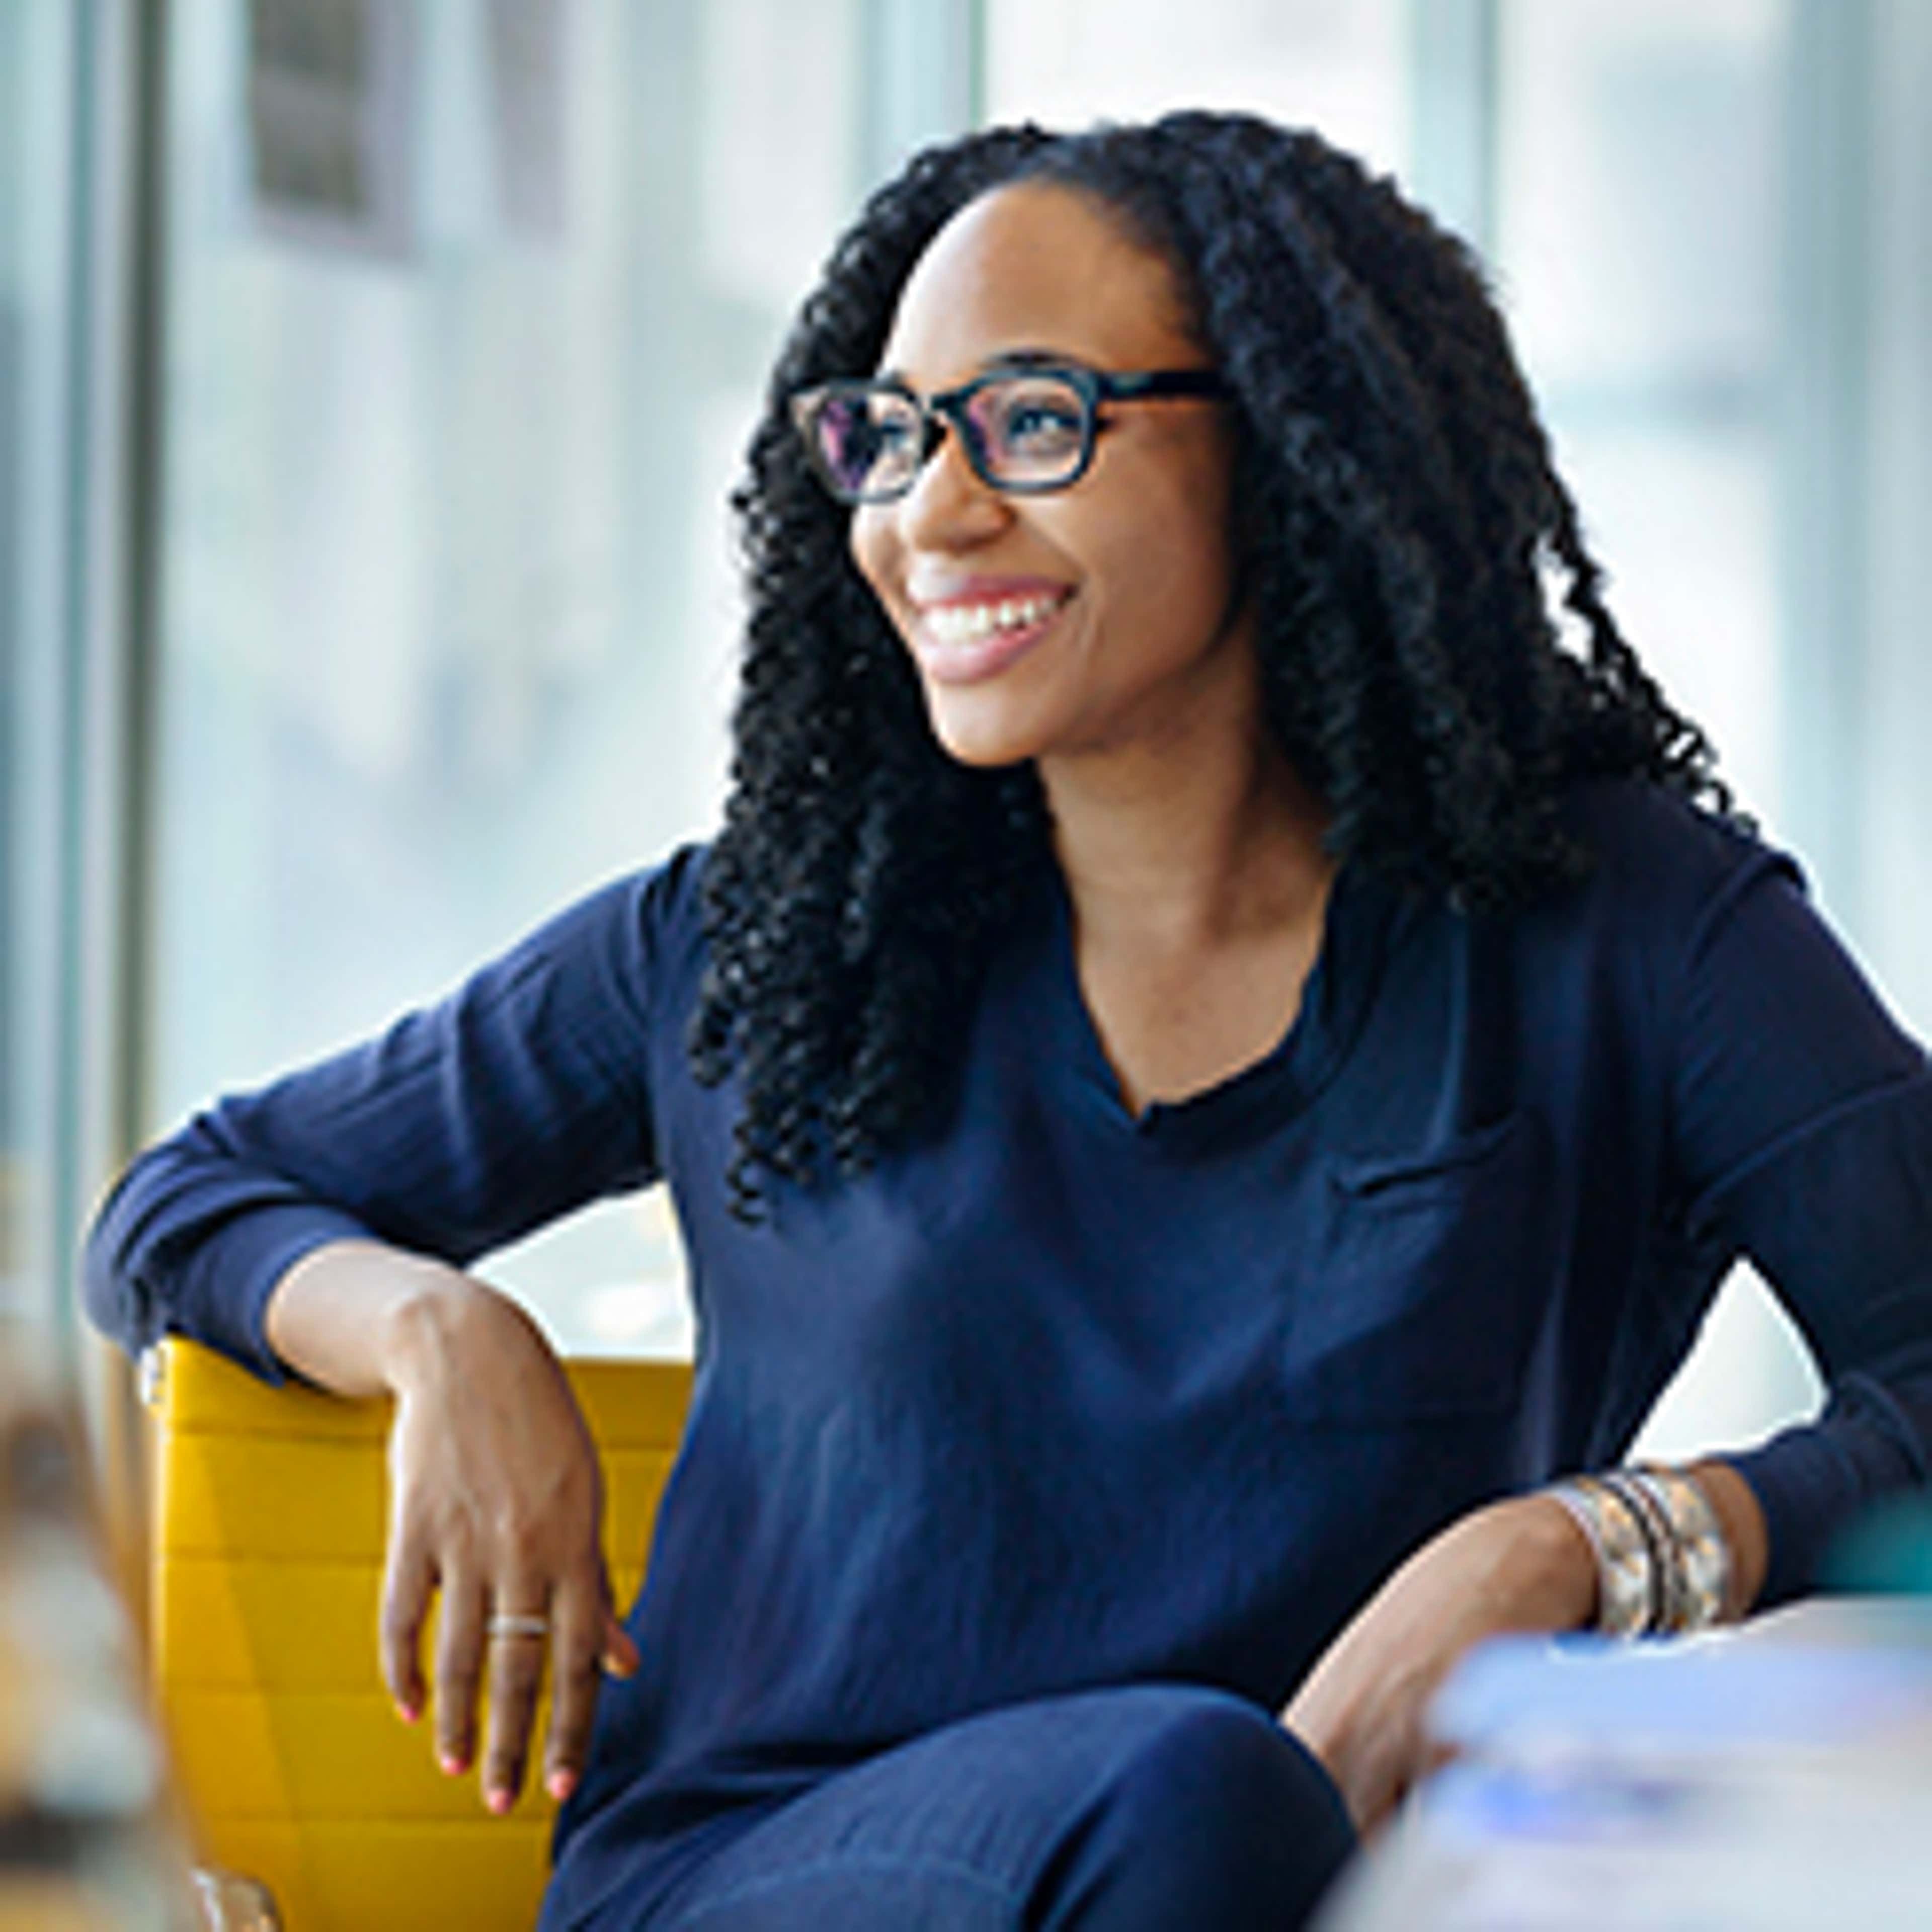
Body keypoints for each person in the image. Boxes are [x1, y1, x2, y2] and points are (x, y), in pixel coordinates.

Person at [87, 112, 1932, 1931]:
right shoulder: (773, 938)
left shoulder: (1626, 929)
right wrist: (439, 1325)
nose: (934, 513)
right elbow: (186, 1201)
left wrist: (1584, 1549)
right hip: (750, 1880)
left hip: (1345, 1892)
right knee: (1194, 1787)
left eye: (1036, 424)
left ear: (1288, 454)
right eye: (886, 439)